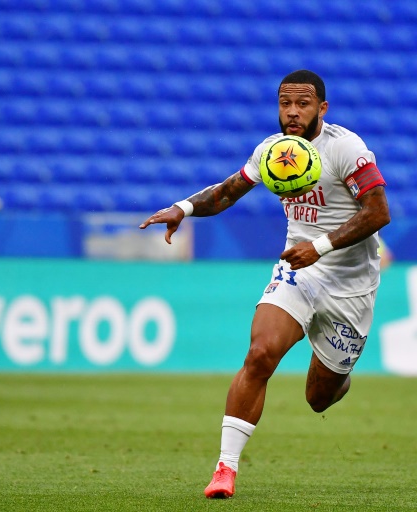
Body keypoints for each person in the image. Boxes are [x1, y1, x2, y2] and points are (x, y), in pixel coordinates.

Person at [139, 70, 390, 499]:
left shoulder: (347, 149)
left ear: (322, 108)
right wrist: (183, 208)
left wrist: (321, 246)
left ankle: (339, 375)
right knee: (259, 355)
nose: (292, 112)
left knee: (319, 397)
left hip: (351, 284)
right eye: (285, 103)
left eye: (303, 104)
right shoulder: (273, 151)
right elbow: (227, 192)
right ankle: (225, 469)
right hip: (298, 270)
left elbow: (378, 212)